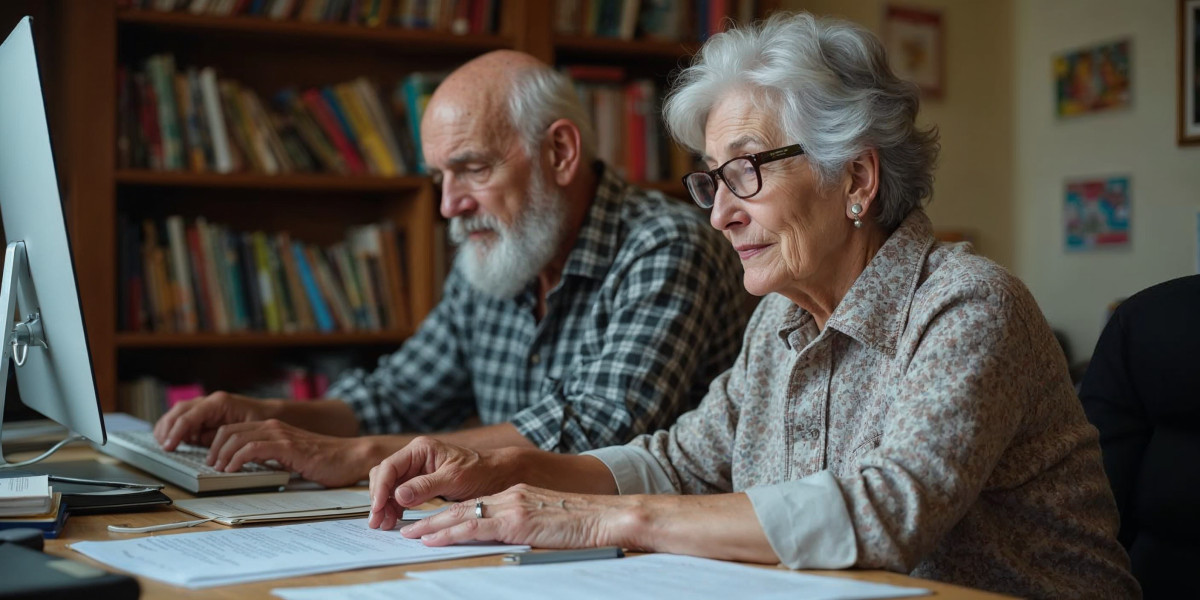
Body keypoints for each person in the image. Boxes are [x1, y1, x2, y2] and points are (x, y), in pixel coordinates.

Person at [366, 13, 1140, 600]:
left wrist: (609, 518)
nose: (719, 215)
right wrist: (504, 469)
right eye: (711, 179)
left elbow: (887, 511)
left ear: (858, 180)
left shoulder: (969, 306)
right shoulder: (780, 320)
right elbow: (679, 459)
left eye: (745, 174)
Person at [151, 51, 749, 488]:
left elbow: (597, 431)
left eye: (472, 169)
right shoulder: (497, 251)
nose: (449, 205)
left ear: (560, 153)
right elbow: (399, 395)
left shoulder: (667, 245)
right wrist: (269, 417)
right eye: (441, 176)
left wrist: (355, 455)